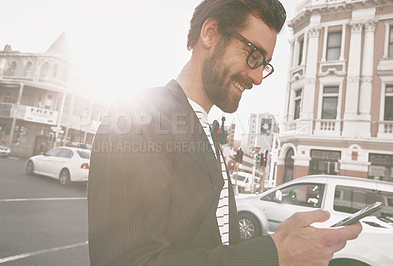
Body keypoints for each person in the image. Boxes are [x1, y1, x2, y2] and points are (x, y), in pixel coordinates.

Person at [87, 0, 362, 265]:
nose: (257, 78)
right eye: (253, 55)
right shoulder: (136, 117)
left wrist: (282, 242)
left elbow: (216, 245)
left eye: (264, 64)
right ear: (211, 34)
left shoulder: (206, 133)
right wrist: (273, 255)